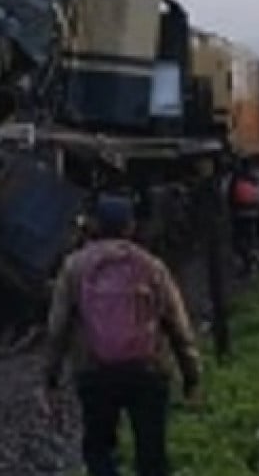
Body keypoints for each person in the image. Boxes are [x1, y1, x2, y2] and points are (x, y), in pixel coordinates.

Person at [41, 194, 202, 476]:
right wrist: (191, 375)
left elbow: (57, 328)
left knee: (99, 449)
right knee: (152, 453)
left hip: (95, 370)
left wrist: (50, 377)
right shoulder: (152, 266)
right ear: (130, 227)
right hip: (148, 369)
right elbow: (178, 325)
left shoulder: (74, 266)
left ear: (95, 226)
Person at [222, 158, 259, 277]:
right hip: (255, 211)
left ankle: (249, 263)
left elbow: (224, 193)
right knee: (253, 237)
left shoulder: (232, 178)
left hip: (239, 213)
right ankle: (255, 260)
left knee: (240, 239)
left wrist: (227, 210)